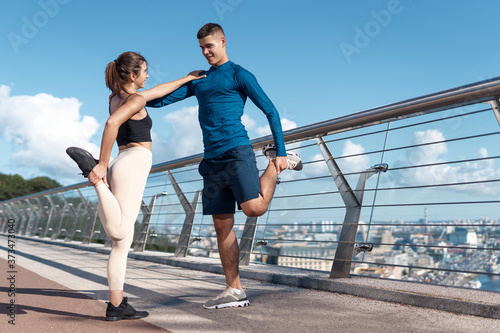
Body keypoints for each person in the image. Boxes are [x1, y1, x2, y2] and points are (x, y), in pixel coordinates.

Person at [146, 23, 302, 310]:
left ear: (222, 42)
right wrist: (136, 93)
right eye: (202, 48)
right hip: (212, 159)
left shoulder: (239, 74)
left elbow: (270, 110)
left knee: (253, 208)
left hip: (237, 151)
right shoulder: (199, 79)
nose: (206, 52)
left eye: (210, 46)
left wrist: (280, 152)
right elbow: (158, 103)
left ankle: (274, 165)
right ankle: (234, 289)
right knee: (222, 226)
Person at [66, 51, 204, 321]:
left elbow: (159, 90)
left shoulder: (115, 98)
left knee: (122, 242)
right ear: (132, 75)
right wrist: (101, 167)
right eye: (144, 71)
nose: (148, 75)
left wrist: (187, 78)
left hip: (122, 161)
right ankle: (92, 174)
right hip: (133, 161)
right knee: (120, 231)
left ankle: (116, 305)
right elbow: (112, 123)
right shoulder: (135, 99)